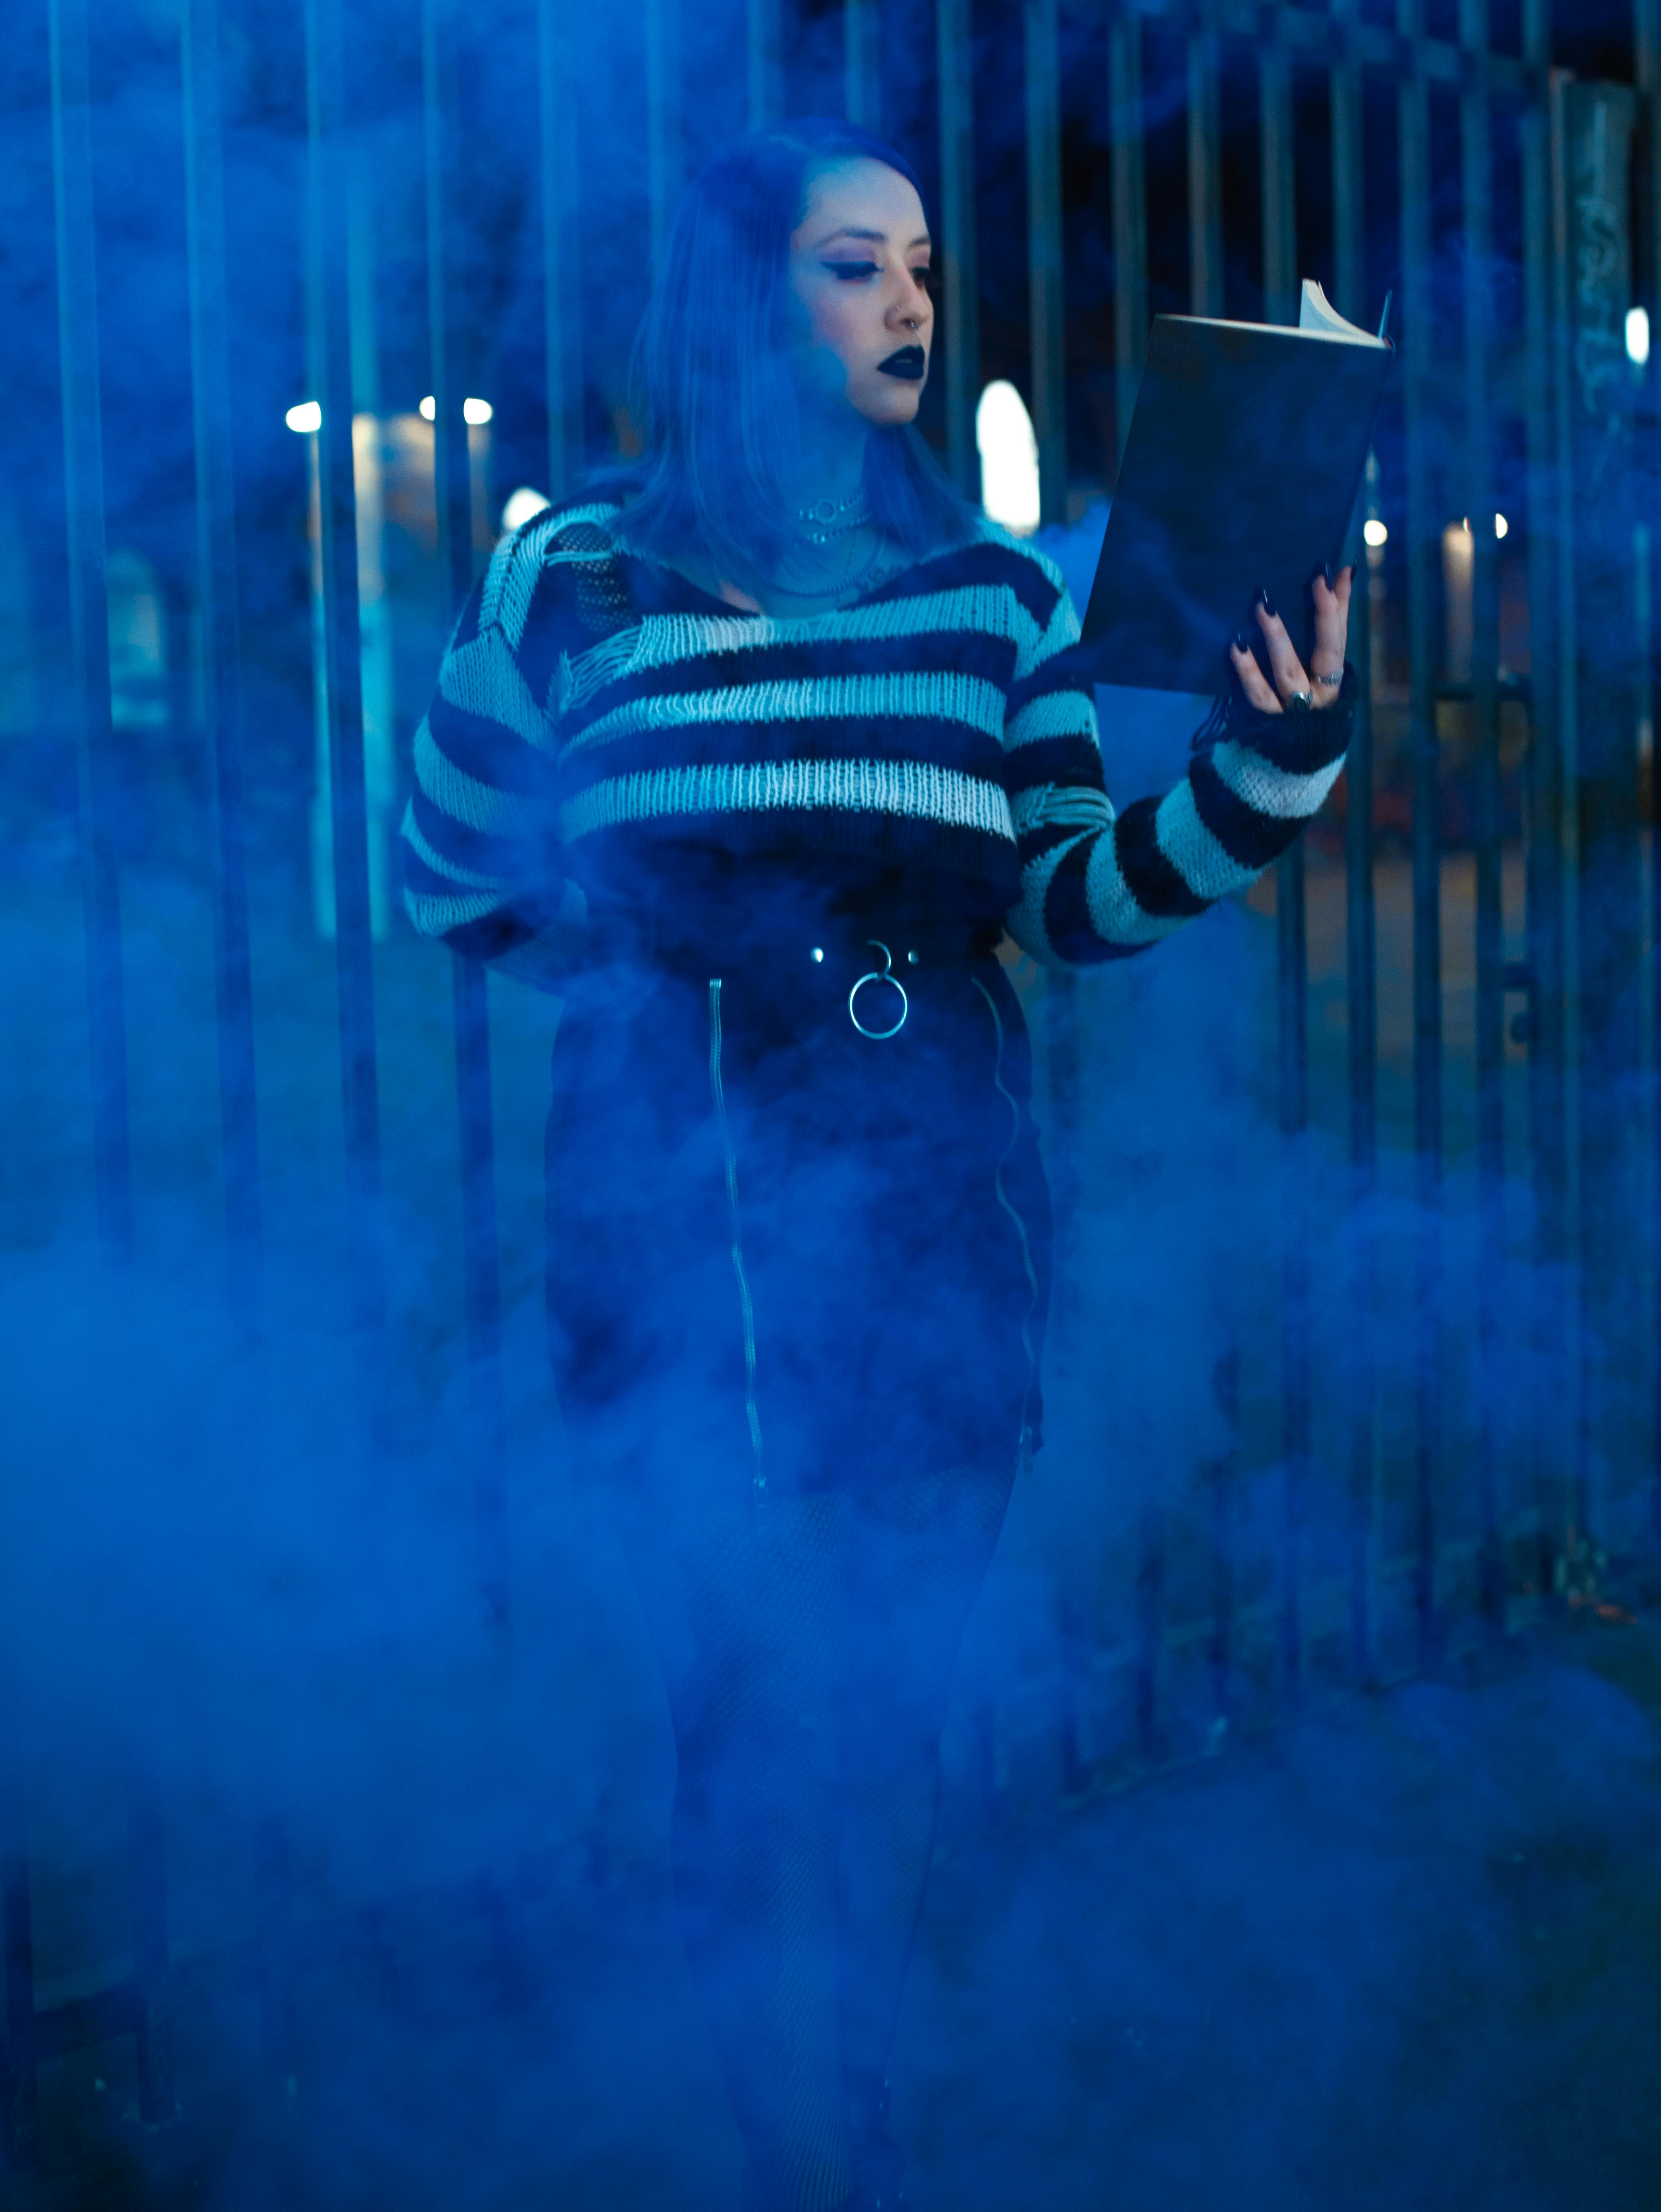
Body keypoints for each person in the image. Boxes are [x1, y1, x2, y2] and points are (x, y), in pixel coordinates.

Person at [401, 118, 1354, 2211]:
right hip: (668, 1270)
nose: (914, 299)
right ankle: (786, 2130)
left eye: (922, 262)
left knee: (877, 1749)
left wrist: (1273, 764)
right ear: (748, 297)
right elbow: (452, 876)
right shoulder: (569, 574)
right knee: (735, 1747)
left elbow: (1070, 902)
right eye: (857, 264)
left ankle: (849, 2116)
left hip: (934, 1256)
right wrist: (651, 980)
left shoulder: (989, 595)